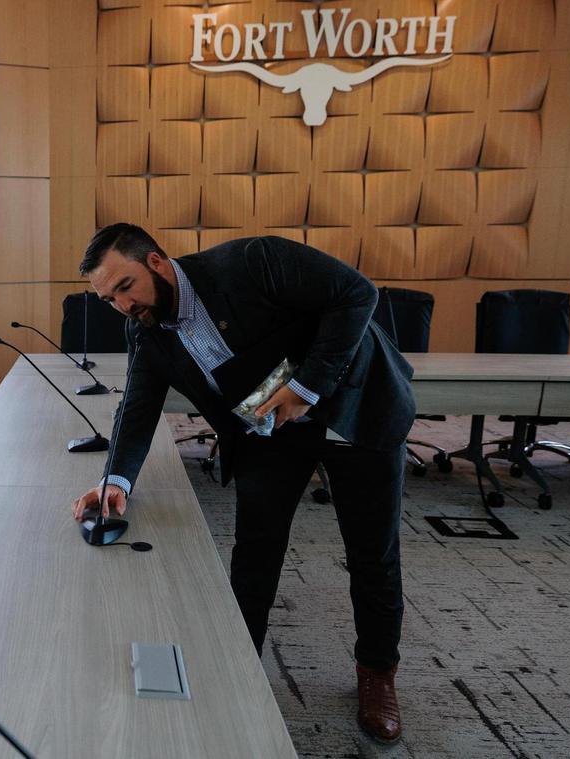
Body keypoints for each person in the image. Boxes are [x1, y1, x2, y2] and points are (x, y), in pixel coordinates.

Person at [70, 224, 415, 743]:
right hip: (268, 424)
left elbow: (356, 293)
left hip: (352, 405)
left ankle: (377, 674)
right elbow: (138, 403)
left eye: (125, 286)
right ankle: (238, 664)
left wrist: (305, 388)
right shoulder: (144, 328)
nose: (121, 305)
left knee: (372, 554)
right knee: (254, 552)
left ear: (158, 263)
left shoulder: (252, 261)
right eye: (108, 298)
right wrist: (115, 477)